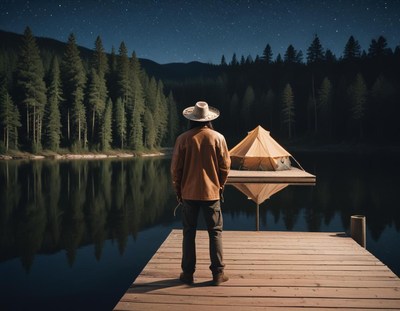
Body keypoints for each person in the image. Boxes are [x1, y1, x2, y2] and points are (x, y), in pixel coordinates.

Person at [171, 101, 231, 286]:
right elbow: (225, 167)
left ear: (191, 119)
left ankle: (188, 274)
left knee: (189, 233)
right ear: (209, 119)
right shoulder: (218, 137)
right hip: (211, 194)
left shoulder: (183, 139)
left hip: (188, 193)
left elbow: (175, 170)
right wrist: (219, 185)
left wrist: (179, 191)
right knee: (215, 233)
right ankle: (218, 274)